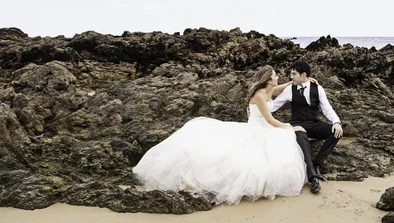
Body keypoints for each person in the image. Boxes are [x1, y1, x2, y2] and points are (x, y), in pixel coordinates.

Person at [132, 66, 308, 205]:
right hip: (256, 130)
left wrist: (299, 81)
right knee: (257, 156)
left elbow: (279, 88)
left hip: (262, 129)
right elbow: (270, 120)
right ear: (269, 79)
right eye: (275, 75)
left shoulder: (269, 89)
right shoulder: (260, 95)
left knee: (280, 146)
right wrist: (289, 127)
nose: (278, 77)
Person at [272, 60, 343, 194]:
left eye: (293, 74)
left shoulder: (318, 88)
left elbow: (327, 108)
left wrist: (336, 122)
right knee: (302, 138)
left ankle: (317, 164)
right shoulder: (289, 89)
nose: (291, 77)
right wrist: (258, 108)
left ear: (303, 75)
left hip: (314, 123)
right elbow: (274, 106)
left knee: (335, 133)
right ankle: (313, 178)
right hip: (297, 124)